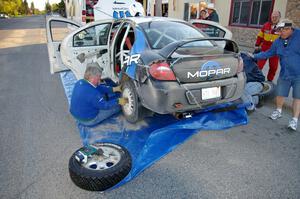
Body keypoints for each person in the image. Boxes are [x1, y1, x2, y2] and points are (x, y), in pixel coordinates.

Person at [253, 19, 300, 131]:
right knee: (280, 94)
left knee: (297, 97)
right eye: (279, 31)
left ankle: (294, 119)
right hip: (285, 73)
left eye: (282, 30)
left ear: (290, 29)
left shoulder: (298, 36)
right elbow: (268, 53)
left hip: (298, 75)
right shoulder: (278, 42)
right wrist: (254, 56)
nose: (280, 33)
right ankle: (278, 111)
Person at [255, 11, 281, 81]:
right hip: (265, 49)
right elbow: (260, 36)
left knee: (273, 67)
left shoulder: (282, 27)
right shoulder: (266, 25)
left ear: (279, 17)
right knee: (259, 66)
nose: (274, 18)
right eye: (273, 16)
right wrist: (257, 45)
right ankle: (257, 79)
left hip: (275, 51)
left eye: (276, 17)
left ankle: (269, 81)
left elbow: (285, 39)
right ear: (271, 17)